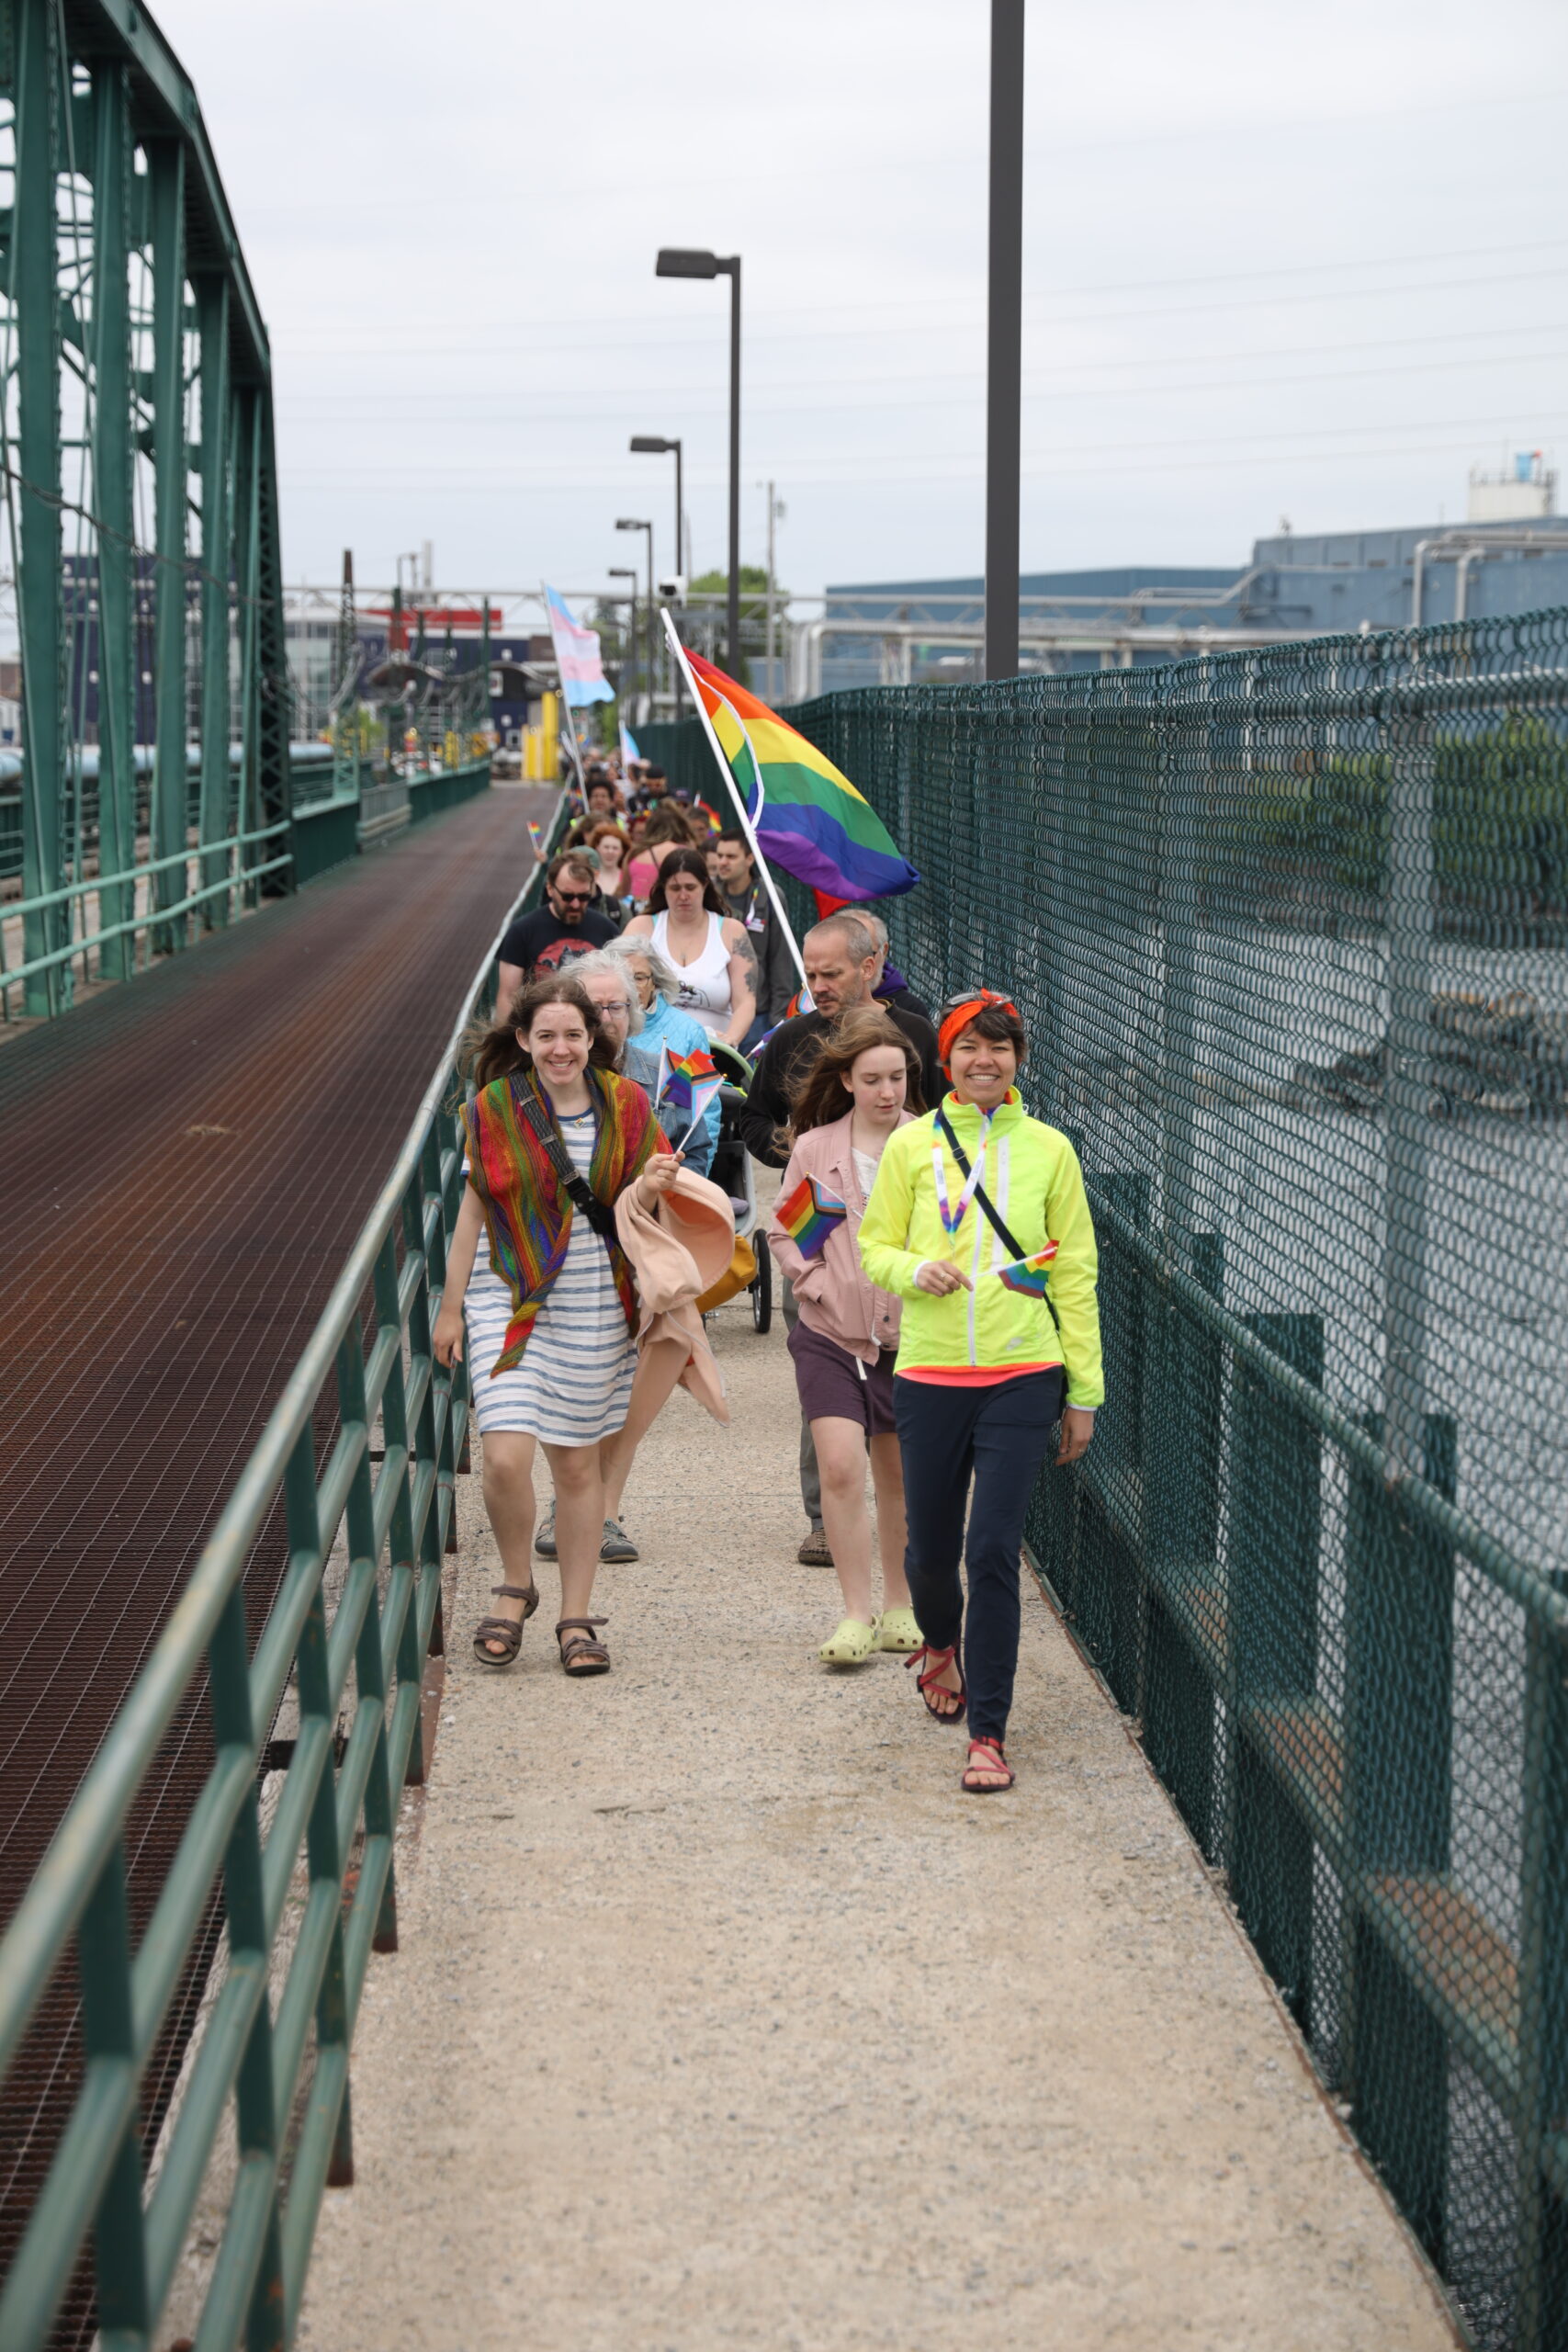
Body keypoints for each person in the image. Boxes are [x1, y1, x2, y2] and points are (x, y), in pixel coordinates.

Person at [857, 989, 1102, 1793]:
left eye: (999, 1048)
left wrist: (1082, 1395)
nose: (984, 1060)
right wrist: (909, 1270)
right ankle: (938, 1642)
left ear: (1019, 1060)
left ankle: (989, 1733)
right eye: (968, 1047)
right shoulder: (909, 1148)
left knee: (991, 1549)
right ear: (946, 1060)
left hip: (1022, 1372)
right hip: (928, 1373)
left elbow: (1074, 1272)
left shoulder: (1049, 1150)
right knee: (929, 1555)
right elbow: (874, 1245)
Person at [434, 973, 679, 1677]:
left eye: (574, 1034)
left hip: (595, 1299)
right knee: (505, 1456)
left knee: (576, 1465)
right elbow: (474, 1211)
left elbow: (653, 1212)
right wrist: (450, 1308)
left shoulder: (627, 1105)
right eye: (546, 1035)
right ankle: (517, 1584)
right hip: (507, 1294)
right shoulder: (492, 1108)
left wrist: (654, 1187)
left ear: (591, 1040)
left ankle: (576, 1616)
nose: (561, 1047)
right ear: (523, 1040)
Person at [739, 912, 942, 1566]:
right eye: (811, 973)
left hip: (904, 1243)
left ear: (869, 966)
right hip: (821, 1230)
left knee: (904, 1390)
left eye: (830, 973)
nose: (818, 985)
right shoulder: (794, 1037)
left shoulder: (912, 1035)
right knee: (824, 1374)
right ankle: (825, 1515)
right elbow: (751, 1113)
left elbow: (945, 1124)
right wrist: (791, 1152)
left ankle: (910, 1516)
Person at [769, 1009, 924, 1664]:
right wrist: (814, 1285)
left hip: (910, 1340)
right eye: (873, 1079)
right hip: (831, 1336)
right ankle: (854, 1614)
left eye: (896, 1077)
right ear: (849, 1081)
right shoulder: (819, 1150)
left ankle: (900, 1607)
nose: (887, 1092)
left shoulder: (930, 1146)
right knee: (838, 1466)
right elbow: (788, 1231)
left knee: (898, 1477)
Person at [573, 946, 717, 1179]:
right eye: (593, 1008)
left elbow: (694, 1153)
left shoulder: (669, 1073)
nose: (605, 1018)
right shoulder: (554, 1077)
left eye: (616, 1006)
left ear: (632, 1011)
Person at [623, 849, 757, 1050]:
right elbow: (621, 989)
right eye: (675, 888)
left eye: (690, 887)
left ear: (705, 885)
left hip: (714, 1051)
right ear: (663, 889)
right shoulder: (640, 927)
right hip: (650, 1049)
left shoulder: (732, 931)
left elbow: (746, 1001)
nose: (683, 896)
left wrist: (731, 1039)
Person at [495, 853, 618, 1004]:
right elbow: (508, 996)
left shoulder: (608, 930)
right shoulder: (522, 931)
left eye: (584, 897)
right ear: (550, 889)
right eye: (567, 897)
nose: (576, 904)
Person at [711, 826, 797, 1041]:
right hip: (716, 1010)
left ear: (750, 859)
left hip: (757, 1013)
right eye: (720, 855)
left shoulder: (769, 896)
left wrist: (778, 1018)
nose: (722, 862)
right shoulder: (709, 895)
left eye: (731, 856)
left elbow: (780, 957)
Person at [860, 909, 933, 1023]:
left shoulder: (911, 1009)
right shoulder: (827, 1003)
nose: (858, 964)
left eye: (868, 953)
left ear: (883, 951)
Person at [626, 801, 689, 904]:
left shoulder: (635, 854)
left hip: (640, 910)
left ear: (650, 827)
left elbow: (623, 890)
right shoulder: (686, 853)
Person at [582, 820, 634, 926]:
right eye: (606, 847)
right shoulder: (588, 878)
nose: (610, 852)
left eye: (615, 848)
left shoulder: (629, 877)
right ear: (597, 848)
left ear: (622, 851)